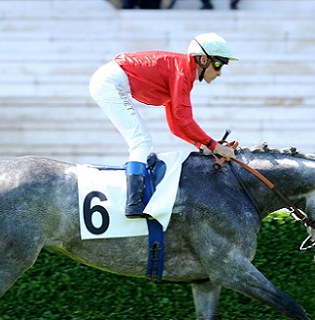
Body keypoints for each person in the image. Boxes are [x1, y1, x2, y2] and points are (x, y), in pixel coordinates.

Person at [89, 32, 238, 219]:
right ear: (202, 59)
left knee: (142, 141)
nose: (219, 72)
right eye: (218, 64)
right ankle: (133, 204)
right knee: (141, 142)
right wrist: (214, 145)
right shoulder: (182, 72)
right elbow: (184, 120)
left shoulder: (182, 71)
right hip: (109, 82)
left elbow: (176, 126)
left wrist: (203, 145)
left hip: (109, 80)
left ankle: (135, 201)